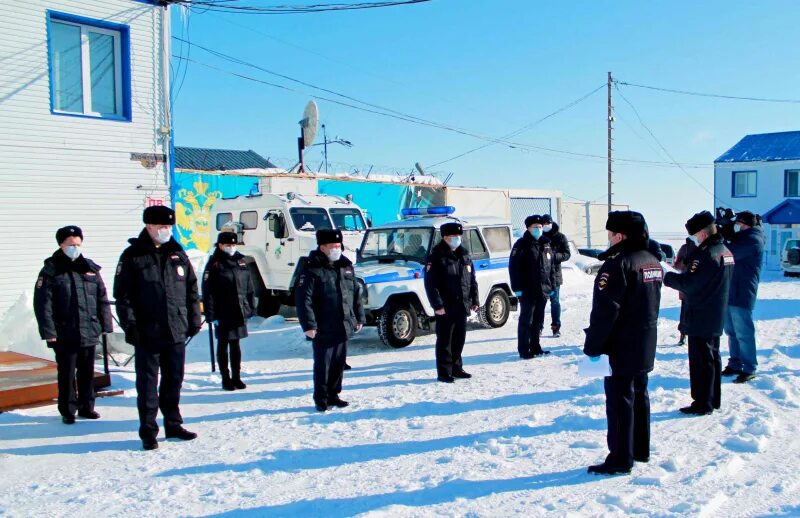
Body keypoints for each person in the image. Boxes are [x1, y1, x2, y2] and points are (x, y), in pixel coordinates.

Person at [114, 206, 202, 450]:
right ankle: (149, 431)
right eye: (162, 227)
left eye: (169, 227)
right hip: (147, 331)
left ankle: (173, 424)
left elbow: (191, 290)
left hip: (175, 329)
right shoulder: (132, 256)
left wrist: (193, 319)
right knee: (148, 384)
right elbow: (122, 296)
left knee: (174, 380)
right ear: (149, 227)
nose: (166, 231)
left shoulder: (177, 253)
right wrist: (130, 325)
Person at [584, 211, 662, 475]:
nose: (608, 240)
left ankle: (620, 457)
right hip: (644, 339)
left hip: (621, 343)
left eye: (610, 235)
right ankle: (639, 448)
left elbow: (606, 310)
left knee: (619, 400)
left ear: (619, 235)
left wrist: (593, 345)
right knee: (639, 395)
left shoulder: (619, 264)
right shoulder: (651, 260)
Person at [33, 226, 114, 424]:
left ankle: (87, 407)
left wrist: (106, 323)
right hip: (64, 331)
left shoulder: (89, 268)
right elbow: (43, 304)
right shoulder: (51, 270)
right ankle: (68, 410)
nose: (74, 248)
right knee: (67, 373)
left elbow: (101, 298)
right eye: (70, 244)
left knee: (87, 372)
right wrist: (49, 331)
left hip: (88, 329)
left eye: (78, 244)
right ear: (61, 244)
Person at [663, 210, 734, 416]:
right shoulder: (724, 250)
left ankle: (702, 402)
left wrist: (667, 277)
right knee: (712, 357)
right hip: (716, 310)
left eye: (695, 234)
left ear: (702, 233)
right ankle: (713, 398)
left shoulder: (705, 255)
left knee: (701, 360)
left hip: (701, 312)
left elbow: (689, 283)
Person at [296, 229, 364, 411]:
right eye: (333, 246)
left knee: (338, 363)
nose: (337, 249)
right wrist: (309, 325)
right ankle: (321, 398)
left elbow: (355, 294)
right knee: (323, 365)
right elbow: (304, 300)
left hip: (343, 323)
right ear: (322, 247)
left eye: (338, 245)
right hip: (323, 326)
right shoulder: (312, 268)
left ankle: (334, 394)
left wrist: (358, 317)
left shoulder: (346, 266)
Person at [424, 222, 479, 383]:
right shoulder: (436, 256)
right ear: (444, 237)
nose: (456, 239)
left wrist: (474, 299)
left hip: (462, 304)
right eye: (453, 237)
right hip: (446, 307)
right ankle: (444, 372)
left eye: (458, 237)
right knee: (445, 341)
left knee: (459, 338)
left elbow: (471, 280)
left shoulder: (464, 254)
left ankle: (457, 367)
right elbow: (430, 284)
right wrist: (437, 305)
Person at [202, 232, 256, 391]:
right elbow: (208, 291)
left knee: (236, 344)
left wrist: (251, 307)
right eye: (228, 245)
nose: (231, 248)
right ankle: (225, 378)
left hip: (239, 309)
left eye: (233, 245)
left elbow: (249, 286)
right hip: (223, 310)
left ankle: (237, 377)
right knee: (223, 344)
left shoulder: (241, 261)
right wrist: (211, 314)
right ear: (220, 245)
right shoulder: (215, 263)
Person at [722, 211, 764, 384]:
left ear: (745, 224)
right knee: (731, 331)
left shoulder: (753, 239)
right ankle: (735, 363)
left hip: (743, 291)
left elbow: (729, 254)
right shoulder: (742, 238)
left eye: (738, 224)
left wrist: (725, 235)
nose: (735, 227)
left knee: (743, 332)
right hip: (732, 290)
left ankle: (749, 367)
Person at [510, 215, 555, 359]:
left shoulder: (546, 244)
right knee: (526, 321)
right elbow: (514, 268)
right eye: (535, 227)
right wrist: (517, 288)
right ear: (528, 228)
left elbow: (551, 266)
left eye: (540, 227)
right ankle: (524, 349)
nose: (538, 229)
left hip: (543, 289)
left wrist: (552, 285)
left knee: (538, 320)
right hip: (527, 289)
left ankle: (536, 346)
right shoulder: (521, 244)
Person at [541, 214, 570, 337]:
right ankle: (538, 327)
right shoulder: (540, 237)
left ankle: (556, 327)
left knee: (555, 302)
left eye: (548, 223)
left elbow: (567, 254)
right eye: (544, 224)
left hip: (555, 275)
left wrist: (554, 256)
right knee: (540, 303)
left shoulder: (560, 237)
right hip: (542, 275)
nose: (546, 226)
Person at [673, 237, 697, 345]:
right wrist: (684, 263)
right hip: (686, 286)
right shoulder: (684, 248)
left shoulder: (703, 246)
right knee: (684, 312)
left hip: (698, 286)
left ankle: (694, 334)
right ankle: (683, 335)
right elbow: (677, 265)